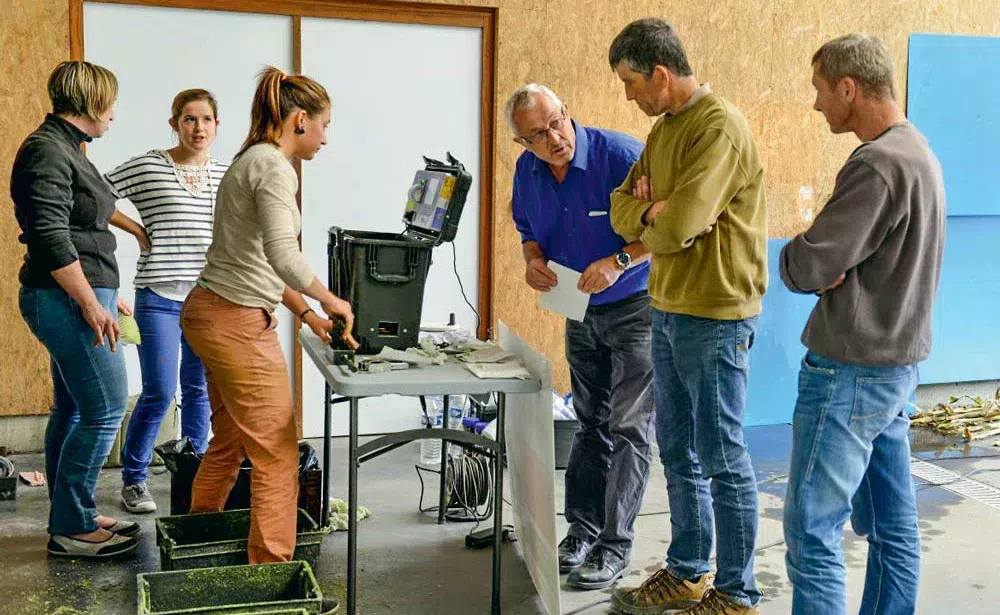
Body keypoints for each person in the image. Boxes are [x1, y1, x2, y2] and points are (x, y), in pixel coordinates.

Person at [607, 18, 768, 615]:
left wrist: (656, 211)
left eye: (631, 83)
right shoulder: (666, 129)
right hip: (669, 308)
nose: (629, 97)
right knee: (678, 451)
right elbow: (620, 209)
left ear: (660, 73)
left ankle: (737, 591)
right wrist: (650, 208)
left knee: (722, 457)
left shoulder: (718, 128)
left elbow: (677, 227)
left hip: (716, 315)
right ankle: (689, 568)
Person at [780, 34, 945, 615]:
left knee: (811, 531)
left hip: (848, 375)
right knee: (893, 529)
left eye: (821, 92)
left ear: (849, 88)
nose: (818, 105)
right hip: (895, 369)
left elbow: (808, 263)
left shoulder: (875, 165)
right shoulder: (918, 150)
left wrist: (799, 258)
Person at [180, 66, 357, 566]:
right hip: (235, 323)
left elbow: (255, 259)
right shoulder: (274, 167)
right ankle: (272, 573)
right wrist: (331, 300)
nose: (326, 135)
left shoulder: (250, 160)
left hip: (211, 312)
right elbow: (283, 254)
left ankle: (198, 541)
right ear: (300, 119)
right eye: (324, 123)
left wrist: (307, 314)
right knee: (278, 454)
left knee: (232, 437)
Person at [507, 83, 654, 590]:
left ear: (567, 111)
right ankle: (583, 531)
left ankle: (616, 546)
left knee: (631, 427)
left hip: (636, 307)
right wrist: (531, 259)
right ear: (523, 144)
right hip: (577, 307)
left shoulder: (624, 157)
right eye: (536, 135)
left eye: (555, 123)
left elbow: (667, 227)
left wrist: (618, 262)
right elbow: (525, 221)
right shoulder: (527, 170)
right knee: (590, 422)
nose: (552, 138)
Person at [11, 60, 139, 559]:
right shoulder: (47, 151)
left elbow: (93, 206)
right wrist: (91, 303)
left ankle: (74, 510)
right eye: (110, 103)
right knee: (106, 408)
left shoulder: (67, 148)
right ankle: (71, 528)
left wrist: (135, 232)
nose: (114, 114)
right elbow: (49, 235)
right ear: (92, 102)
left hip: (78, 296)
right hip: (64, 298)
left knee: (71, 409)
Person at [106, 89, 227, 513]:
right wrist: (136, 230)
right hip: (159, 297)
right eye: (190, 119)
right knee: (159, 391)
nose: (199, 128)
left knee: (198, 390)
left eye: (207, 119)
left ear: (217, 125)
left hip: (208, 300)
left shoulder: (226, 174)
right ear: (174, 123)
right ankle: (134, 480)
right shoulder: (149, 165)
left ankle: (193, 472)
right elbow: (94, 194)